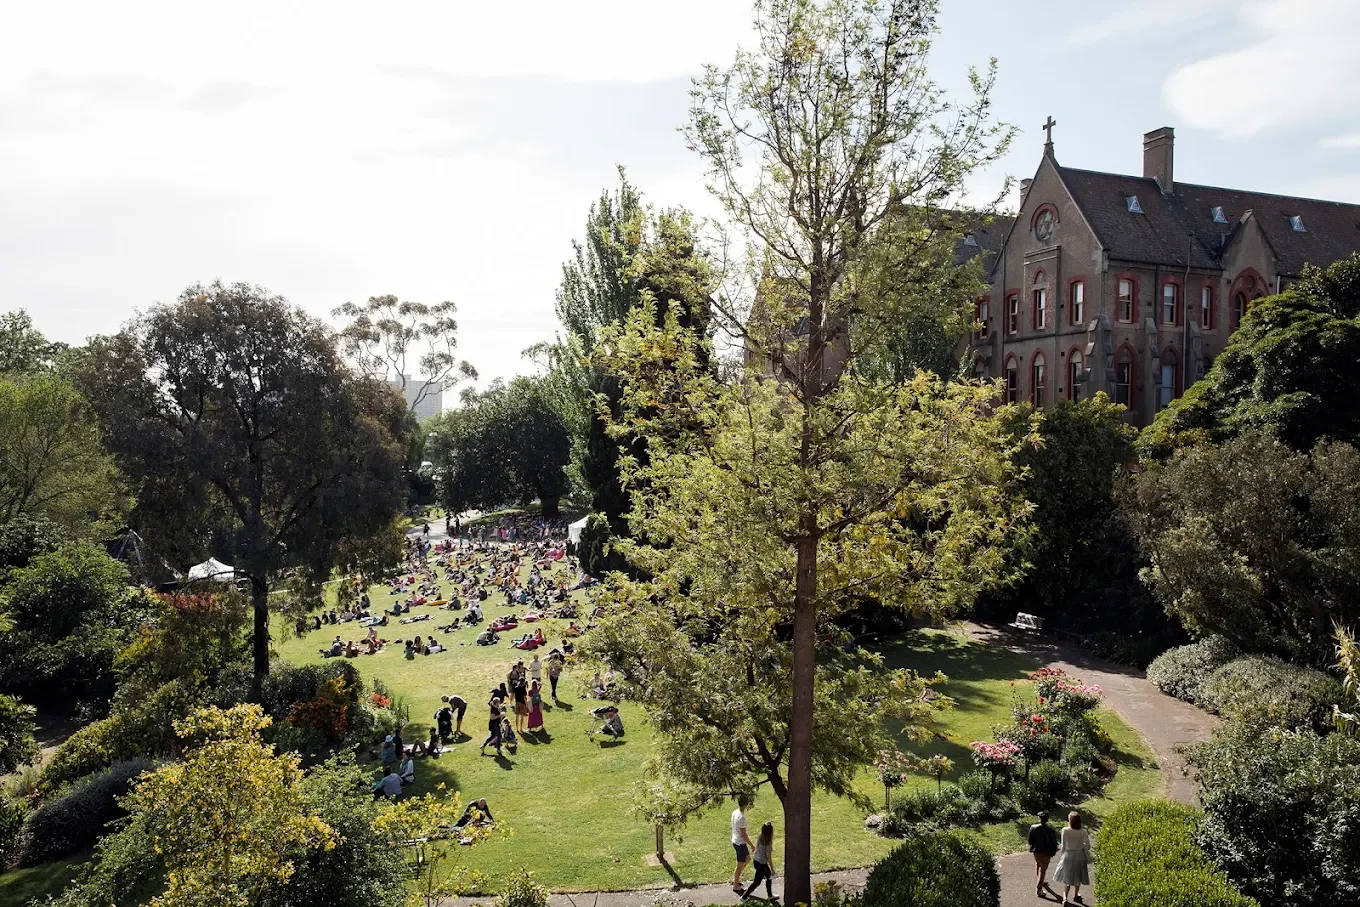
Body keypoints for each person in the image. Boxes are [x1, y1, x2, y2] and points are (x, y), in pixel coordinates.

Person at [1052, 811, 1091, 904]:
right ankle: (1076, 895)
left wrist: (1062, 856)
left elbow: (1063, 845)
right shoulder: (1083, 831)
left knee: (1067, 877)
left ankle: (1065, 897)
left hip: (1068, 855)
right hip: (1079, 855)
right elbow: (1088, 846)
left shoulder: (1065, 830)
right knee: (1078, 875)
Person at [1028, 810, 1059, 897]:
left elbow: (1030, 841)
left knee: (1038, 865)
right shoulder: (1050, 830)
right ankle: (1039, 889)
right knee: (1043, 870)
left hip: (1036, 851)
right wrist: (1053, 852)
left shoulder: (1033, 827)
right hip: (1046, 852)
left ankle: (1040, 881)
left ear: (1039, 818)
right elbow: (1054, 843)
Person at [742, 822, 776, 901]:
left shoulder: (760, 836)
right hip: (762, 864)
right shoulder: (768, 842)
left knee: (769, 877)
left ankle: (770, 895)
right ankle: (744, 897)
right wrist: (772, 869)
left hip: (756, 860)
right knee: (757, 882)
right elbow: (769, 857)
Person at [731, 795, 754, 893]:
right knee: (739, 865)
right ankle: (736, 885)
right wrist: (752, 845)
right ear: (746, 804)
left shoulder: (735, 812)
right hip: (740, 843)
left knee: (747, 859)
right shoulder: (741, 818)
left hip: (736, 841)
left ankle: (736, 879)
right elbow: (743, 835)